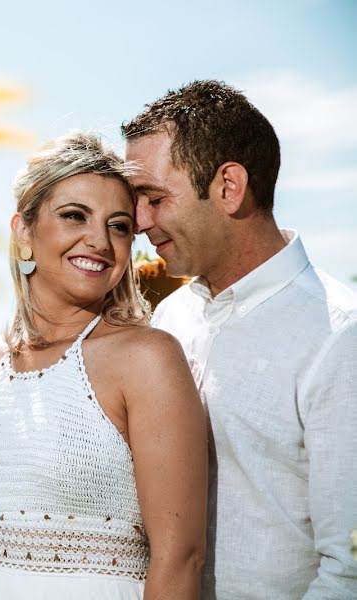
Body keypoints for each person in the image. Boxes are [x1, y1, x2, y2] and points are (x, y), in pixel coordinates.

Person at [0, 132, 208, 600]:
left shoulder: (147, 359)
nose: (99, 241)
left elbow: (180, 557)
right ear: (23, 230)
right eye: (73, 216)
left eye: (119, 226)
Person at [123, 80, 357, 599]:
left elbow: (349, 569)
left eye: (154, 198)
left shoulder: (340, 337)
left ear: (229, 186)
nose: (139, 222)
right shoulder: (169, 319)